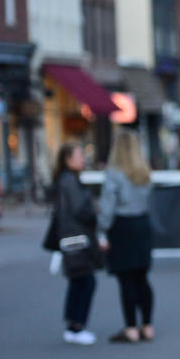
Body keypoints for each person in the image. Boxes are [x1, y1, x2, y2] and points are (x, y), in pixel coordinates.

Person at [98, 129, 156, 343]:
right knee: (143, 278)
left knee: (126, 280)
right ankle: (147, 325)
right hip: (142, 224)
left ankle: (131, 327)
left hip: (122, 227)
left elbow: (107, 206)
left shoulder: (114, 173)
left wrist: (102, 231)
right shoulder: (144, 172)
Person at [47, 144, 102, 345]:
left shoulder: (65, 180)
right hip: (76, 238)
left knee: (78, 281)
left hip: (71, 237)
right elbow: (80, 209)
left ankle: (73, 324)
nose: (83, 159)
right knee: (86, 281)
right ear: (68, 159)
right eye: (79, 155)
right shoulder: (70, 181)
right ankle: (77, 326)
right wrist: (95, 215)